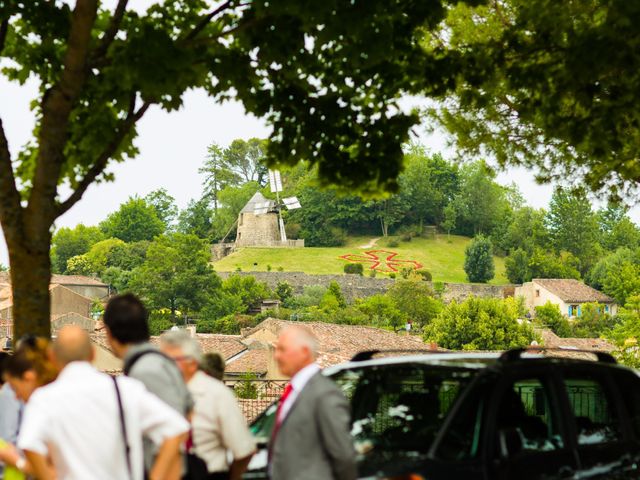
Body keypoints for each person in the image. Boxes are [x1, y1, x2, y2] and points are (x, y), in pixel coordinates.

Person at [17, 325, 189, 480]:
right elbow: (176, 428)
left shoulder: (44, 398)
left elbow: (29, 443)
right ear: (93, 353)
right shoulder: (126, 390)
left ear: (52, 357)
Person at [103, 294, 193, 478]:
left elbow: (175, 432)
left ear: (110, 334)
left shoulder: (146, 371)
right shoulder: (159, 362)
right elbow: (189, 412)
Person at [160, 332, 255, 480]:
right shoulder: (158, 394)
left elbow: (244, 450)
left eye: (171, 361)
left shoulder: (218, 394)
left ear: (192, 363)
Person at [268, 326, 357, 480]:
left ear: (304, 352)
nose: (276, 356)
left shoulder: (325, 393)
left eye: (282, 350)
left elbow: (343, 455)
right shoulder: (295, 391)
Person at [0, 337, 58, 478]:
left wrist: (17, 461)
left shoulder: (40, 403)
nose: (15, 396)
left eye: (14, 387)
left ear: (28, 377)